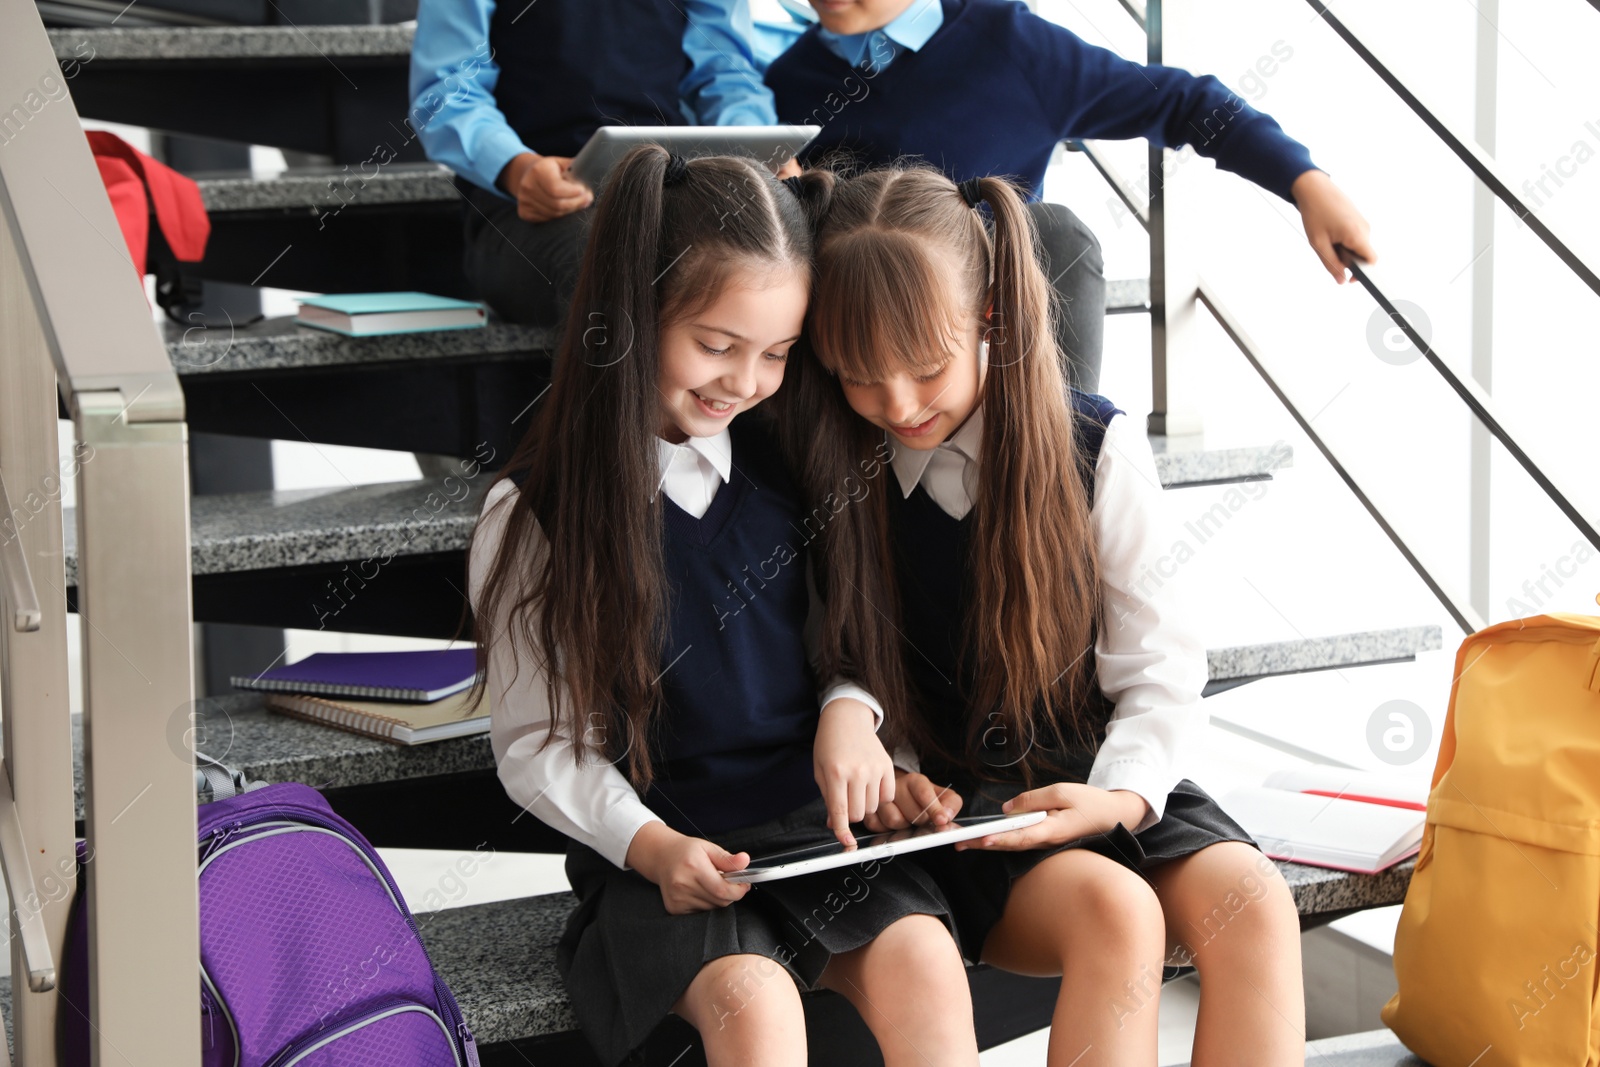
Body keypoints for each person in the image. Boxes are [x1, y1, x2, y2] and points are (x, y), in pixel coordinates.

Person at [773, 163, 1305, 1066]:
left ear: (990, 317)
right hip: (963, 812)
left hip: (1099, 772)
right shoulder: (838, 468)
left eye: (926, 368)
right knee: (1115, 911)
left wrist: (1119, 794)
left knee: (1254, 899)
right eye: (861, 378)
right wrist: (892, 766)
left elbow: (1161, 669)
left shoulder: (1095, 444)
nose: (898, 405)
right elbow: (842, 657)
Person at [463, 146, 978, 1067]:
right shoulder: (538, 512)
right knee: (754, 1002)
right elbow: (538, 743)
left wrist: (853, 719)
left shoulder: (792, 465)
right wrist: (651, 845)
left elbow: (848, 643)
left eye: (777, 354)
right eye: (716, 345)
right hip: (665, 856)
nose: (744, 381)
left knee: (927, 962)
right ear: (635, 316)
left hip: (809, 833)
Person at [762, 0, 1376, 394]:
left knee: (1056, 233)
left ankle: (1068, 468)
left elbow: (1183, 103)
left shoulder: (1011, 43)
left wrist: (1303, 183)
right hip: (866, 340)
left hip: (996, 330)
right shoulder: (787, 81)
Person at [409, 0, 798, 328]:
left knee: (780, 244)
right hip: (523, 209)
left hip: (668, 187)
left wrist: (760, 150)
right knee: (610, 264)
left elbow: (725, 72)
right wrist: (518, 168)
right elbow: (448, 90)